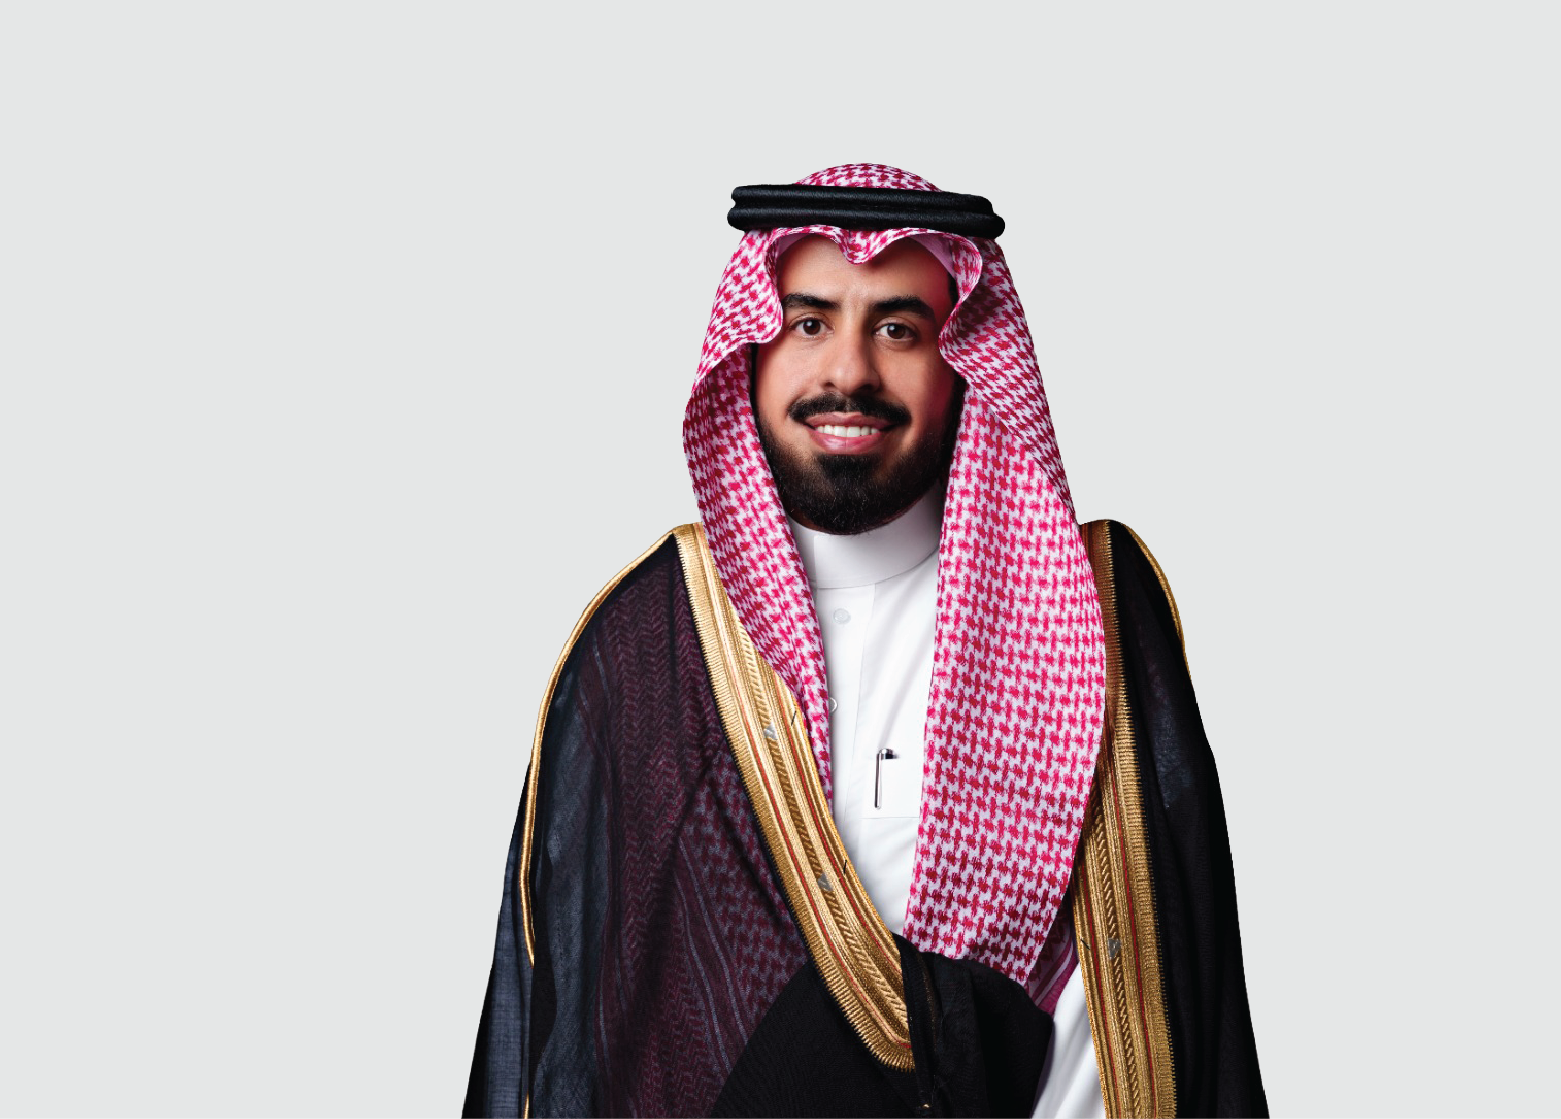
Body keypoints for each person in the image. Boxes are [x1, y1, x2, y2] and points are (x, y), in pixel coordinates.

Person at [463, 164, 1269, 1117]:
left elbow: (1192, 986)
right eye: (808, 324)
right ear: (749, 352)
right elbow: (586, 1030)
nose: (848, 372)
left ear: (963, 359)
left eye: (897, 330)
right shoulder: (650, 642)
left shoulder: (1100, 608)